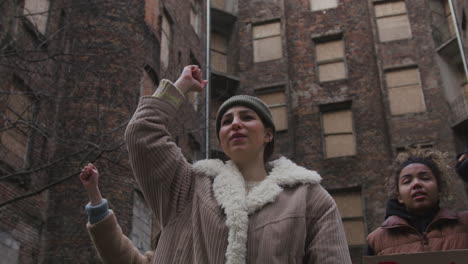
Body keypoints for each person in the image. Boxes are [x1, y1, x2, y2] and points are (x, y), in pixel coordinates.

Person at [83, 65, 351, 264]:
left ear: (268, 134)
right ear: (221, 139)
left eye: (247, 117)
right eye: (226, 121)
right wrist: (180, 87)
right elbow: (141, 133)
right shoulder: (189, 187)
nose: (235, 123)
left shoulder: (310, 198)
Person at [367, 148, 468, 256]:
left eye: (425, 178)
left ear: (439, 189)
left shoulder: (465, 223)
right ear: (399, 196)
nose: (416, 183)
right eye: (407, 181)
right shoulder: (376, 241)